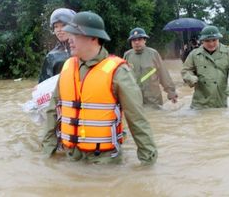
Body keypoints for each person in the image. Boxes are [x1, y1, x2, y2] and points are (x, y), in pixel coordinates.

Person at [42, 12, 157, 165]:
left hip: (103, 162)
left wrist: (148, 164)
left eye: (75, 34)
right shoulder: (68, 67)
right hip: (71, 158)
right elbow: (52, 111)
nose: (69, 39)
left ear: (93, 38)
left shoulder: (118, 72)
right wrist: (47, 154)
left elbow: (137, 120)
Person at [181, 25, 229, 109]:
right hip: (199, 103)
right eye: (207, 41)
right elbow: (185, 70)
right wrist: (191, 78)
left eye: (214, 40)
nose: (211, 44)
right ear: (202, 41)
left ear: (218, 39)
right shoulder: (194, 54)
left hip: (220, 102)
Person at [123, 27, 178, 109]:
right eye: (134, 40)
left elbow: (163, 74)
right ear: (131, 42)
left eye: (140, 39)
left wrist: (171, 92)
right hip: (134, 99)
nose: (137, 42)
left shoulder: (153, 54)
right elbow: (123, 77)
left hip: (153, 99)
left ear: (145, 40)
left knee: (155, 119)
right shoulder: (127, 55)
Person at [38, 8, 76, 83]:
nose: (59, 30)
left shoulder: (84, 50)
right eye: (56, 26)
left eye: (63, 25)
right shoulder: (51, 57)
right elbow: (44, 85)